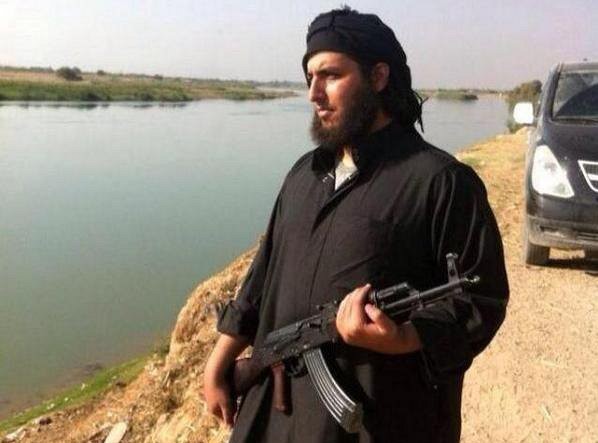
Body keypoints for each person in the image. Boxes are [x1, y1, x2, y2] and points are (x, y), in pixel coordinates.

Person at [204, 7, 509, 443]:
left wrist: (403, 337)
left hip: (377, 423)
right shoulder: (304, 174)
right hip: (276, 416)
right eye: (310, 77)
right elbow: (264, 272)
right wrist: (221, 359)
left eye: (330, 75)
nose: (314, 93)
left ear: (378, 77)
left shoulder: (441, 182)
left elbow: (481, 300)